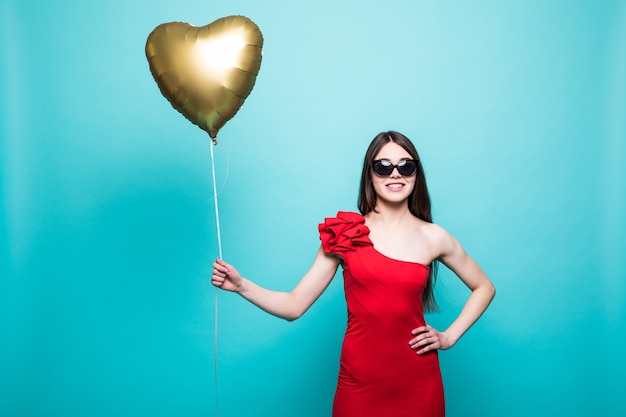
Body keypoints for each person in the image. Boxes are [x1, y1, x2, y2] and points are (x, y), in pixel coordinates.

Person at [212, 131, 496, 417]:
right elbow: (294, 305)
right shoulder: (345, 232)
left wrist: (448, 337)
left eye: (405, 166)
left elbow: (484, 287)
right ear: (369, 175)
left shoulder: (435, 237)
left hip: (420, 383)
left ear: (416, 174)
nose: (395, 174)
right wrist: (241, 286)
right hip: (359, 386)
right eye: (383, 166)